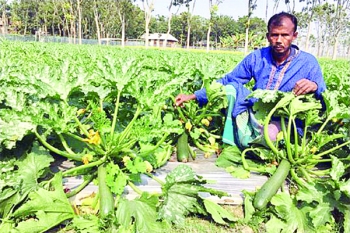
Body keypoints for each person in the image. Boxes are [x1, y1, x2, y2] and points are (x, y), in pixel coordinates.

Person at [175, 12, 326, 149]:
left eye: (285, 35)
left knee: (270, 136)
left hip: (283, 120)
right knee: (231, 88)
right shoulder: (257, 57)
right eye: (274, 35)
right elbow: (229, 79)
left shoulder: (308, 62)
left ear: (294, 36)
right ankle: (231, 142)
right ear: (268, 36)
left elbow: (324, 97)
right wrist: (193, 96)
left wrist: (314, 85)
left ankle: (248, 141)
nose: (279, 40)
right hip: (254, 112)